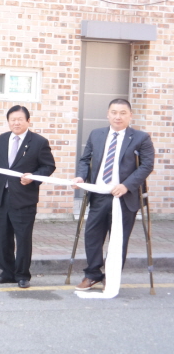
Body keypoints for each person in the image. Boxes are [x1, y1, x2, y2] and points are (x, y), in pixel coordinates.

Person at [73, 99, 154, 291]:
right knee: (92, 235)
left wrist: (127, 185)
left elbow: (146, 165)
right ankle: (92, 274)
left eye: (123, 113)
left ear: (130, 115)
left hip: (124, 197)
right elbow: (85, 160)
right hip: (100, 194)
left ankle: (111, 275)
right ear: (108, 114)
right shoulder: (96, 134)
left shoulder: (141, 138)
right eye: (114, 112)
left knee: (119, 239)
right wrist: (81, 176)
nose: (118, 116)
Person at [0, 105, 56, 288]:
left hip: (24, 198)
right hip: (3, 197)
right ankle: (6, 272)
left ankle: (22, 275)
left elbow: (48, 166)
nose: (16, 123)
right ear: (8, 121)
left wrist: (34, 177)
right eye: (12, 119)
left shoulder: (39, 142)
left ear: (28, 121)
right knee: (3, 237)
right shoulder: (2, 139)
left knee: (23, 238)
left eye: (19, 119)